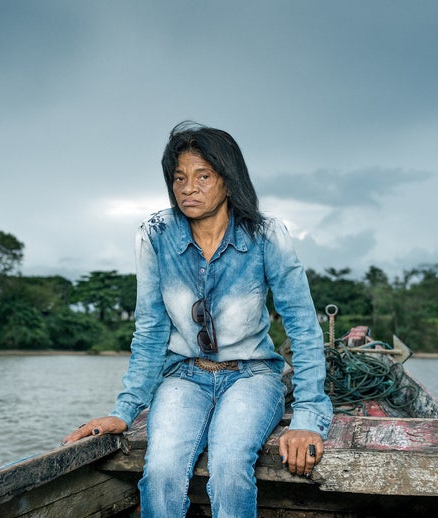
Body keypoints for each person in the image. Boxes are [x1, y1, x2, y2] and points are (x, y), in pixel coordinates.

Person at [62, 122, 332, 517]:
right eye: (179, 178)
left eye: (203, 176)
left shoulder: (267, 234)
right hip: (184, 376)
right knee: (162, 470)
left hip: (252, 376)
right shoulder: (155, 233)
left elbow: (303, 328)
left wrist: (307, 417)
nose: (188, 188)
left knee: (228, 466)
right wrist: (124, 410)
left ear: (228, 180)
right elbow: (151, 329)